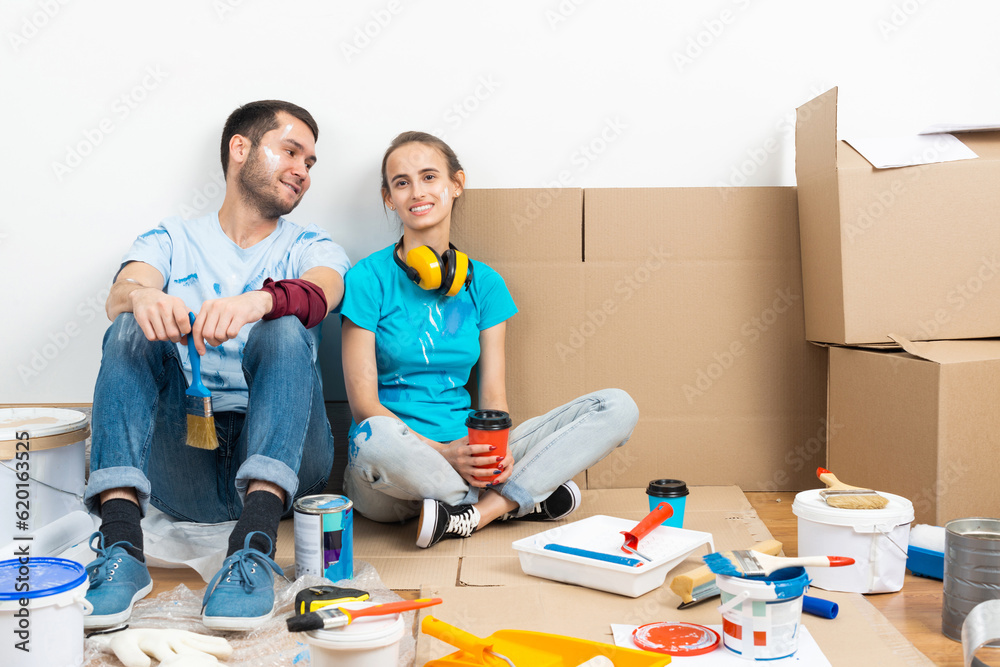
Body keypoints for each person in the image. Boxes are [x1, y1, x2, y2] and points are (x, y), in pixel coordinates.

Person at [83, 100, 350, 631]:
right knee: (129, 327)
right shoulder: (170, 238)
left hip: (288, 456)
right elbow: (121, 291)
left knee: (285, 325)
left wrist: (260, 302)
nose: (303, 171)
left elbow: (325, 291)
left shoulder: (310, 244)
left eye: (311, 163)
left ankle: (253, 547)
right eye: (291, 151)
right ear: (240, 149)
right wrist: (141, 298)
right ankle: (120, 551)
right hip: (185, 458)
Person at [340, 131, 639, 548]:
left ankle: (477, 513)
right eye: (402, 182)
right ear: (389, 198)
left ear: (456, 185)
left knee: (617, 406)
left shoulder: (486, 284)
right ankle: (523, 498)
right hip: (395, 468)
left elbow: (493, 395)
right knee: (375, 437)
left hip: (470, 445)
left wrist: (492, 453)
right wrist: (446, 455)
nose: (417, 191)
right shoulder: (366, 279)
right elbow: (364, 406)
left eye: (429, 177)